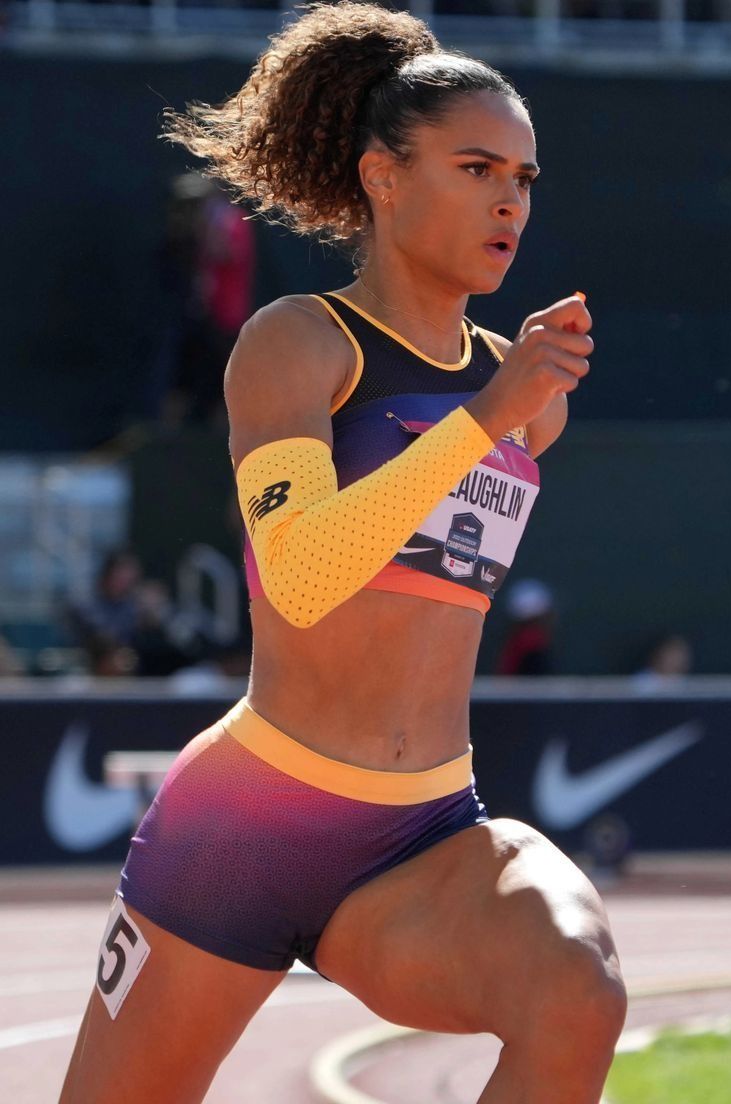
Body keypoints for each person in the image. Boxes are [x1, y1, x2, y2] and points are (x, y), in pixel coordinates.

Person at [60, 4, 626, 1102]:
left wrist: (504, 404)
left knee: (578, 991)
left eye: (523, 174)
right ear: (381, 176)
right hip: (245, 831)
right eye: (475, 167)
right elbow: (304, 577)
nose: (509, 196)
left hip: (423, 830)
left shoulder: (524, 390)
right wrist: (483, 419)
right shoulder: (299, 342)